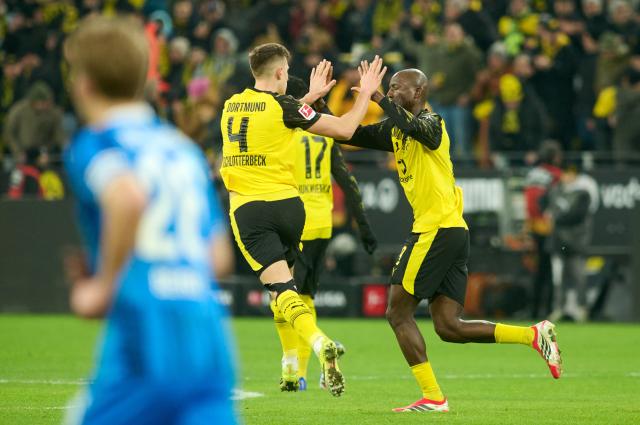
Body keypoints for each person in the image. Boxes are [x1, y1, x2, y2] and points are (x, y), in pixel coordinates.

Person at [342, 64, 563, 412]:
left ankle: (433, 398)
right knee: (448, 326)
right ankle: (533, 335)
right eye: (391, 87)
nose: (394, 91)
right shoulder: (395, 130)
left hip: (437, 229)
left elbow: (417, 129)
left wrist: (379, 97)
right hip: (450, 231)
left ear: (418, 93)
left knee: (398, 312)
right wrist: (314, 105)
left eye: (399, 87)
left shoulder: (434, 123)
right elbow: (348, 134)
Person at [61, 16, 237, 425]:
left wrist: (102, 286)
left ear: (83, 83)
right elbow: (218, 257)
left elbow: (126, 196)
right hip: (206, 335)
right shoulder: (181, 149)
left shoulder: (99, 142)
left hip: (145, 333)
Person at [219, 43, 386, 397]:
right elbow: (342, 128)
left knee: (280, 291)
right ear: (281, 73)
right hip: (291, 210)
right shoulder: (285, 107)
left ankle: (316, 343)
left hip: (250, 210)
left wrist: (309, 96)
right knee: (289, 289)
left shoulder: (231, 105)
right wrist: (366, 94)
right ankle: (293, 366)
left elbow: (275, 117)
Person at [283, 76, 378, 391]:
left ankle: (297, 372)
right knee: (307, 297)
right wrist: (363, 227)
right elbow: (348, 184)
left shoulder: (286, 132)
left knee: (284, 298)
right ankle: (306, 371)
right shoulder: (325, 136)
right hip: (322, 224)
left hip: (294, 223)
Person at [547, 167, 599, 323]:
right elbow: (545, 205)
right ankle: (558, 308)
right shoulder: (556, 191)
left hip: (576, 242)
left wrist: (557, 219)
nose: (566, 177)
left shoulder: (583, 193)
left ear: (574, 175)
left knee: (579, 276)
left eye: (568, 173)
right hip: (558, 241)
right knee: (558, 278)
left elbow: (577, 215)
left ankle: (582, 309)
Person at [524, 141, 563, 319]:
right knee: (548, 271)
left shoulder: (532, 174)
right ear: (555, 157)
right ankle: (547, 310)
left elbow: (529, 202)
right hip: (548, 228)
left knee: (536, 271)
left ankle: (532, 310)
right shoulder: (555, 175)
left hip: (532, 227)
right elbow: (556, 203)